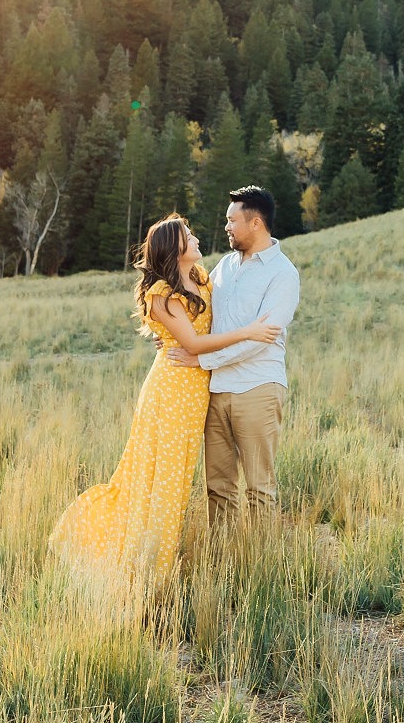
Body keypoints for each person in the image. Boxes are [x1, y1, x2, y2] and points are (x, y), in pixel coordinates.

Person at [47, 214, 281, 608]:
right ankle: (149, 576)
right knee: (162, 482)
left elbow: (206, 328)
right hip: (171, 392)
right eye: (188, 236)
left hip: (198, 392)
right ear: (174, 248)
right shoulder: (161, 294)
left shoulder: (202, 277)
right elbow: (192, 342)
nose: (195, 237)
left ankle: (155, 564)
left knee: (177, 480)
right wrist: (249, 332)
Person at [168, 186, 300, 529]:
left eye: (231, 220)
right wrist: (171, 330)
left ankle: (259, 568)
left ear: (255, 223)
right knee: (218, 487)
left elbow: (261, 339)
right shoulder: (224, 266)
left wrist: (203, 361)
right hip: (216, 391)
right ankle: (224, 563)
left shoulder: (283, 274)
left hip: (257, 387)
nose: (226, 226)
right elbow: (201, 315)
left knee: (260, 488)